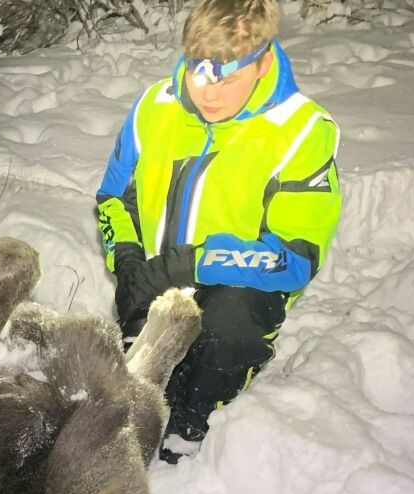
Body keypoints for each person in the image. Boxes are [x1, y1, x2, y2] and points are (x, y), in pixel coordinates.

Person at [95, 0, 342, 463]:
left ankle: (194, 420)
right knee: (131, 397)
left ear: (263, 60)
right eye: (197, 70)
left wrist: (184, 264)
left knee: (229, 325)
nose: (209, 91)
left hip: (239, 287)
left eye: (227, 75)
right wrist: (127, 261)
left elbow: (296, 258)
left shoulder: (303, 130)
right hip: (152, 280)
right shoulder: (155, 107)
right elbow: (112, 197)